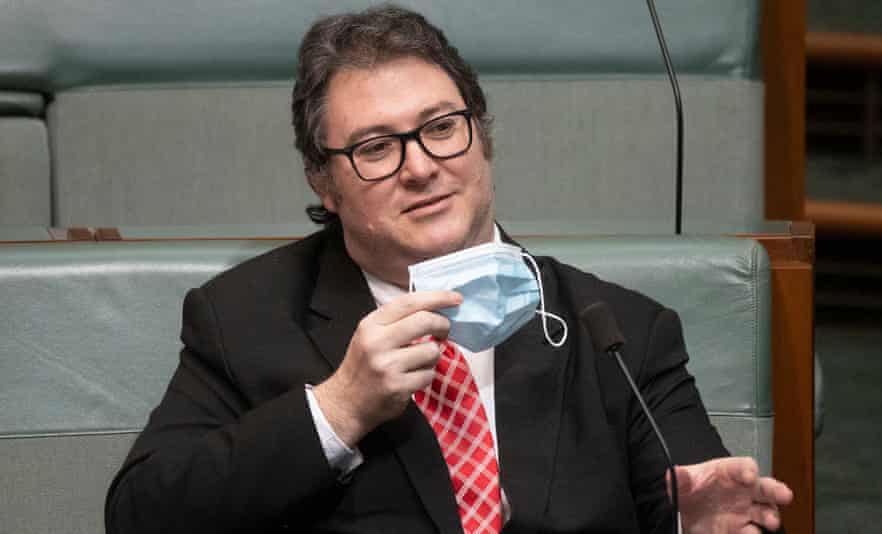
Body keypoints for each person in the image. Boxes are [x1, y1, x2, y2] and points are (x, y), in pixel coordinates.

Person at [105, 5, 792, 533]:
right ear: (324, 181)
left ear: (480, 134)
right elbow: (140, 515)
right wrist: (337, 409)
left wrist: (690, 523)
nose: (422, 166)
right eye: (376, 147)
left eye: (441, 127)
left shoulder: (621, 331)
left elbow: (694, 495)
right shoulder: (245, 317)